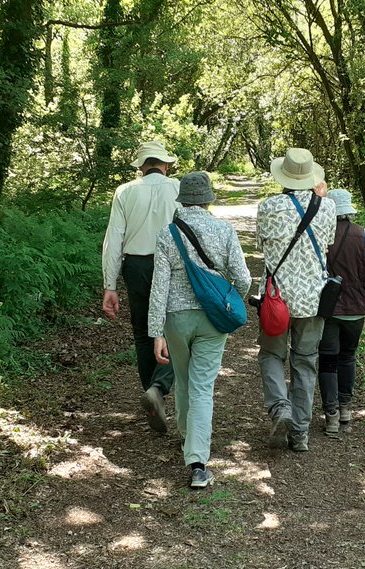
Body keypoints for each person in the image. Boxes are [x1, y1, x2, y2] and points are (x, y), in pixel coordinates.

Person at [149, 172, 251, 488]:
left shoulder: (167, 234)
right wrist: (230, 301)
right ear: (208, 200)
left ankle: (187, 436)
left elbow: (159, 285)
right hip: (213, 318)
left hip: (176, 317)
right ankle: (197, 462)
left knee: (182, 379)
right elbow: (244, 278)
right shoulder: (224, 230)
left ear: (182, 199)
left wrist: (156, 332)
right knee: (203, 386)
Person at [256, 148, 336, 452]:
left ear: (283, 177)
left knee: (271, 354)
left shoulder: (268, 207)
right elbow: (327, 244)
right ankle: (300, 434)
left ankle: (280, 408)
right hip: (313, 299)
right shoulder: (327, 207)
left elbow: (262, 245)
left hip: (276, 299)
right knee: (305, 361)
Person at [101, 140, 180, 433]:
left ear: (141, 167)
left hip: (136, 266)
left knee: (144, 333)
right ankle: (159, 389)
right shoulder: (178, 188)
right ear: (166, 164)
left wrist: (110, 285)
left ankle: (152, 394)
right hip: (173, 265)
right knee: (174, 328)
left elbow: (114, 239)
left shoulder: (125, 191)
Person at [317, 189, 365, 436]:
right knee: (348, 357)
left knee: (327, 360)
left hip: (327, 308)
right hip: (356, 308)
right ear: (349, 211)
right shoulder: (363, 234)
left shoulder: (319, 233)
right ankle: (346, 409)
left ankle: (331, 415)